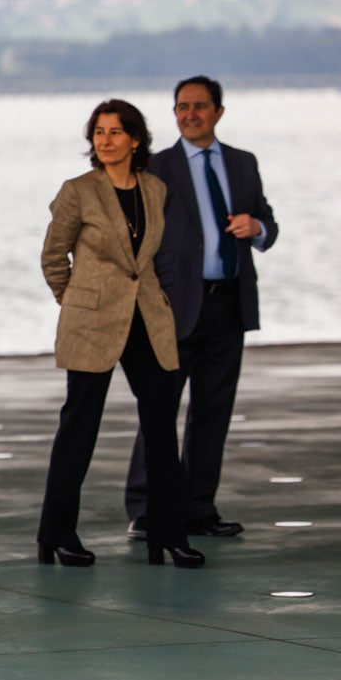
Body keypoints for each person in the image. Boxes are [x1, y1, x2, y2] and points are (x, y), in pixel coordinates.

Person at [37, 99, 204, 572]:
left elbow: (149, 261)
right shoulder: (78, 191)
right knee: (78, 430)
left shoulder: (155, 189)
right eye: (98, 132)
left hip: (147, 321)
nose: (105, 140)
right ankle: (57, 533)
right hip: (91, 322)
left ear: (135, 139)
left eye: (115, 132)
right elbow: (54, 256)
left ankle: (169, 535)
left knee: (160, 431)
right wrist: (74, 302)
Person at [124, 76, 280, 540]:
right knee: (160, 407)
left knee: (213, 412)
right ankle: (146, 508)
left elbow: (267, 221)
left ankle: (197, 509)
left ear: (218, 111)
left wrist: (256, 227)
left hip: (228, 306)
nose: (190, 114)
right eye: (182, 106)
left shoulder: (243, 164)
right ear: (174, 113)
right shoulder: (154, 166)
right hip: (172, 308)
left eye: (199, 106)